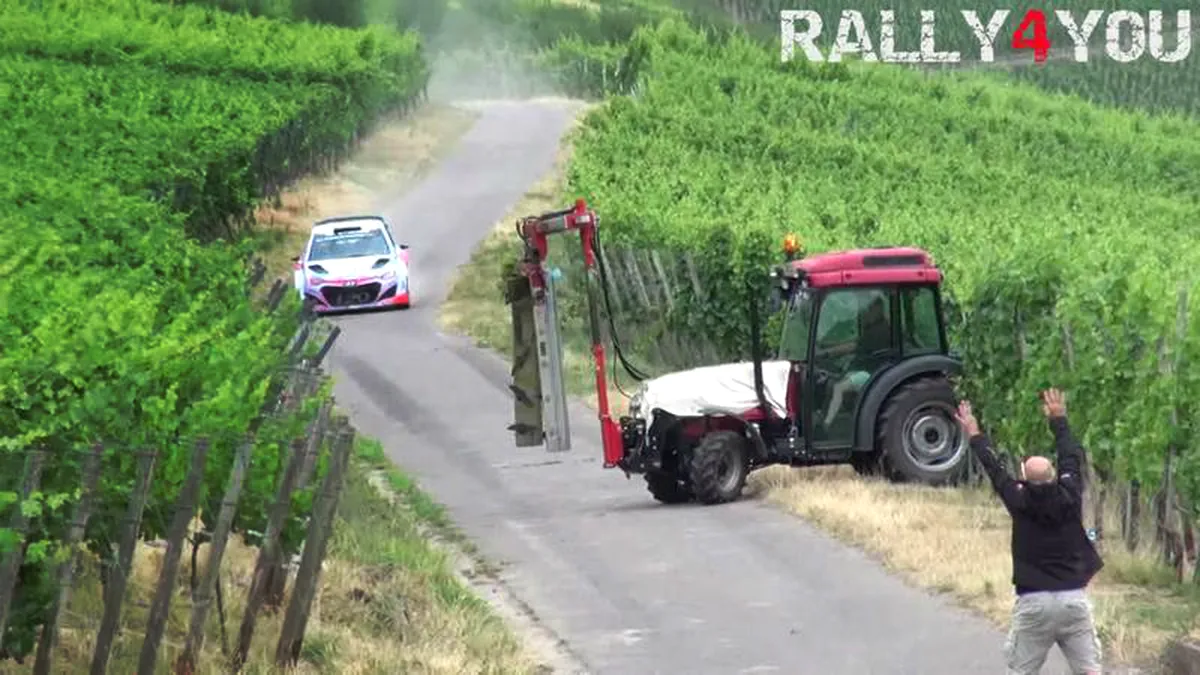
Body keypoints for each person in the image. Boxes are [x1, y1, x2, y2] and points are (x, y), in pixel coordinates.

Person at [954, 389, 1103, 675]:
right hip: (1073, 598)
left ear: (1023, 478)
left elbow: (994, 468)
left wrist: (974, 431)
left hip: (1033, 601)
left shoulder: (1018, 499)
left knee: (1021, 670)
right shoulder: (1070, 495)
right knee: (1089, 670)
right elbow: (1070, 456)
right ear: (1054, 476)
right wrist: (1059, 419)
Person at [821, 297, 890, 427]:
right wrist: (827, 346)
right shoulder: (873, 328)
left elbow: (854, 346)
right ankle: (826, 419)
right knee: (831, 382)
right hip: (867, 370)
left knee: (838, 388)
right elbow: (856, 342)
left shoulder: (880, 331)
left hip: (872, 373)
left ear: (878, 310)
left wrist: (827, 353)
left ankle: (826, 425)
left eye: (868, 310)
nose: (864, 313)